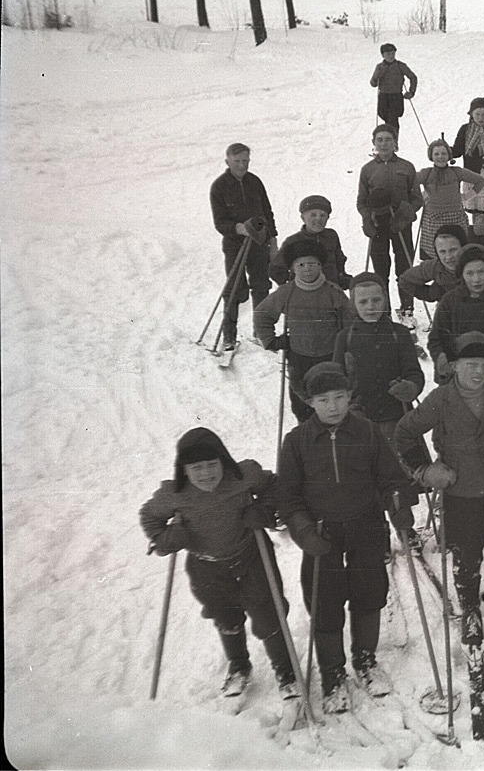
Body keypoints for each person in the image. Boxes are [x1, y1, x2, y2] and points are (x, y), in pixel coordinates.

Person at [270, 362, 417, 713]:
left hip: (366, 525)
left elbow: (390, 478)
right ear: (309, 402)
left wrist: (398, 505)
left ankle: (365, 660)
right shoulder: (297, 442)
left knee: (369, 592)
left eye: (339, 397)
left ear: (350, 396)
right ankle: (332, 673)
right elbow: (287, 497)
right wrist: (304, 531)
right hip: (322, 532)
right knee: (325, 601)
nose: (333, 406)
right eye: (323, 400)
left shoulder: (367, 432)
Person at [394, 332, 484, 650]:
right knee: (466, 554)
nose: (478, 372)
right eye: (471, 365)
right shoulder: (440, 400)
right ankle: (471, 611)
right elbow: (404, 433)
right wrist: (425, 470)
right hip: (460, 488)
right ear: (456, 366)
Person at [139, 428, 299, 701]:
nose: (206, 474)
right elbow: (149, 517)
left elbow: (273, 486)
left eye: (212, 465)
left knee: (268, 611)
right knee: (224, 614)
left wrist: (263, 510)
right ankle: (238, 665)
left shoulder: (244, 476)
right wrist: (166, 539)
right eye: (196, 468)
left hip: (251, 556)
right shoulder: (174, 495)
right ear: (184, 469)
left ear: (224, 461)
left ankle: (286, 670)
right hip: (206, 566)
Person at [332, 273, 427, 548]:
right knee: (364, 481)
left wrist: (410, 387)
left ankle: (405, 528)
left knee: (396, 478)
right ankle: (377, 535)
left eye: (376, 299)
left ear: (385, 300)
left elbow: (414, 372)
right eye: (363, 301)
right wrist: (345, 400)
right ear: (353, 304)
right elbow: (336, 378)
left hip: (395, 418)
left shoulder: (398, 334)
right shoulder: (345, 337)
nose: (371, 306)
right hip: (358, 421)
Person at [253, 239, 355, 423]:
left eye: (312, 263)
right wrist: (271, 340)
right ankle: (307, 436)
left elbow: (349, 321)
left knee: (331, 399)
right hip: (299, 357)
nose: (307, 268)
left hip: (331, 356)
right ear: (292, 268)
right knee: (303, 401)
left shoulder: (333, 291)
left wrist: (347, 346)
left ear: (320, 266)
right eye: (301, 264)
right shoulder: (286, 292)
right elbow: (262, 314)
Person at [209, 142, 277, 349]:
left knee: (261, 286)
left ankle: (261, 331)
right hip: (234, 244)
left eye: (245, 161)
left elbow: (267, 213)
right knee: (234, 289)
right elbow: (220, 222)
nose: (242, 165)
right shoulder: (219, 186)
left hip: (259, 243)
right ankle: (229, 336)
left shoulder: (254, 182)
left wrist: (273, 241)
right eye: (237, 161)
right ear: (227, 161)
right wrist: (239, 228)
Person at [356, 124, 424, 323]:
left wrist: (405, 215)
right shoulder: (368, 170)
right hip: (378, 225)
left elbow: (417, 199)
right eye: (379, 140)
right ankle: (382, 310)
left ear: (395, 143)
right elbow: (361, 201)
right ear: (374, 143)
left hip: (401, 224)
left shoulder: (406, 166)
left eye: (388, 139)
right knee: (380, 269)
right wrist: (367, 219)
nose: (384, 144)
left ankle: (407, 310)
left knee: (405, 268)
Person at [429, 244, 484, 384]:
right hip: (457, 376)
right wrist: (446, 361)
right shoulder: (450, 301)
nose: (476, 279)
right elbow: (436, 339)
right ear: (462, 274)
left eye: (481, 272)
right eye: (469, 273)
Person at [415, 138, 484, 259]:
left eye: (443, 153)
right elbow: (408, 183)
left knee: (457, 252)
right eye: (436, 154)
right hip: (433, 220)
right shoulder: (426, 173)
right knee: (436, 253)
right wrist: (420, 196)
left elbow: (480, 181)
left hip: (455, 218)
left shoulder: (456, 172)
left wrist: (467, 196)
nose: (440, 157)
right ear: (431, 156)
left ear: (449, 155)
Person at [269, 195, 351, 290]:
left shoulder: (331, 236)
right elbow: (276, 269)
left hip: (331, 290)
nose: (318, 219)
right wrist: (290, 286)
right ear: (303, 218)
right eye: (313, 215)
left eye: (323, 215)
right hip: (305, 293)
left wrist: (341, 276)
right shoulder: (293, 241)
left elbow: (339, 260)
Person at [399, 224, 467, 308]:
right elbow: (405, 280)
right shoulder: (435, 267)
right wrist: (430, 293)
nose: (448, 257)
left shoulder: (478, 264)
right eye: (442, 251)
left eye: (453, 250)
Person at [369, 43, 418, 138]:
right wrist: (376, 76)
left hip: (396, 97)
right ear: (383, 55)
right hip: (383, 97)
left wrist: (411, 92)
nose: (391, 56)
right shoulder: (379, 67)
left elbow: (413, 77)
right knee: (386, 119)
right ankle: (388, 141)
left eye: (393, 53)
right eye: (388, 54)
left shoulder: (400, 66)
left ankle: (393, 142)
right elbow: (373, 84)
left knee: (392, 120)